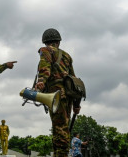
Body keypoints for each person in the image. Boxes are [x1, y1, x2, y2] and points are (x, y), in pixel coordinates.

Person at [34, 28, 81, 157]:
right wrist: (77, 105)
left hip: (56, 96)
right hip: (68, 97)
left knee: (59, 131)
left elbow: (45, 67)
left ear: (45, 42)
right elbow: (74, 80)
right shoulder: (67, 56)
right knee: (63, 129)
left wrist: (41, 81)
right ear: (58, 42)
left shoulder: (45, 51)